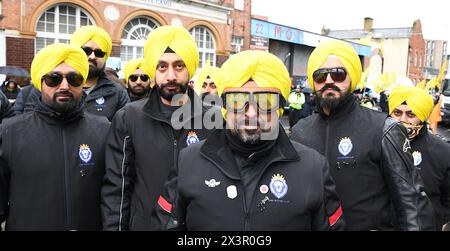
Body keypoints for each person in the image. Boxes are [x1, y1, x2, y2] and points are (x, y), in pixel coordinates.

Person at [151, 50, 343, 231]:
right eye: (237, 100)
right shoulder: (189, 161)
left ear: (280, 108)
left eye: (266, 101)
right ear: (225, 106)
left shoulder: (313, 167)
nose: (251, 113)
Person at [291, 40, 435, 231]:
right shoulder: (300, 131)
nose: (329, 81)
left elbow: (412, 204)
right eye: (320, 76)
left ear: (351, 78)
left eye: (338, 74)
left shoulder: (384, 128)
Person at [101, 26, 213, 231]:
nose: (171, 76)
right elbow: (117, 187)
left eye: (179, 66)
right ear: (154, 70)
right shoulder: (129, 117)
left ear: (190, 68)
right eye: (162, 67)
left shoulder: (213, 121)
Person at [0, 43, 110, 230]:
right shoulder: (10, 132)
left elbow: (113, 196)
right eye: (54, 79)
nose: (64, 86)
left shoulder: (103, 129)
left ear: (82, 83)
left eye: (74, 78)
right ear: (40, 82)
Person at [388, 85, 450, 231]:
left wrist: (436, 220)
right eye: (397, 113)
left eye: (410, 114)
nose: (402, 120)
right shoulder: (377, 143)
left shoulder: (443, 151)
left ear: (422, 116)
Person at [70, 25, 130, 121]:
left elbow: (124, 129)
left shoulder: (118, 92)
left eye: (99, 53)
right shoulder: (54, 86)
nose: (92, 57)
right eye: (86, 50)